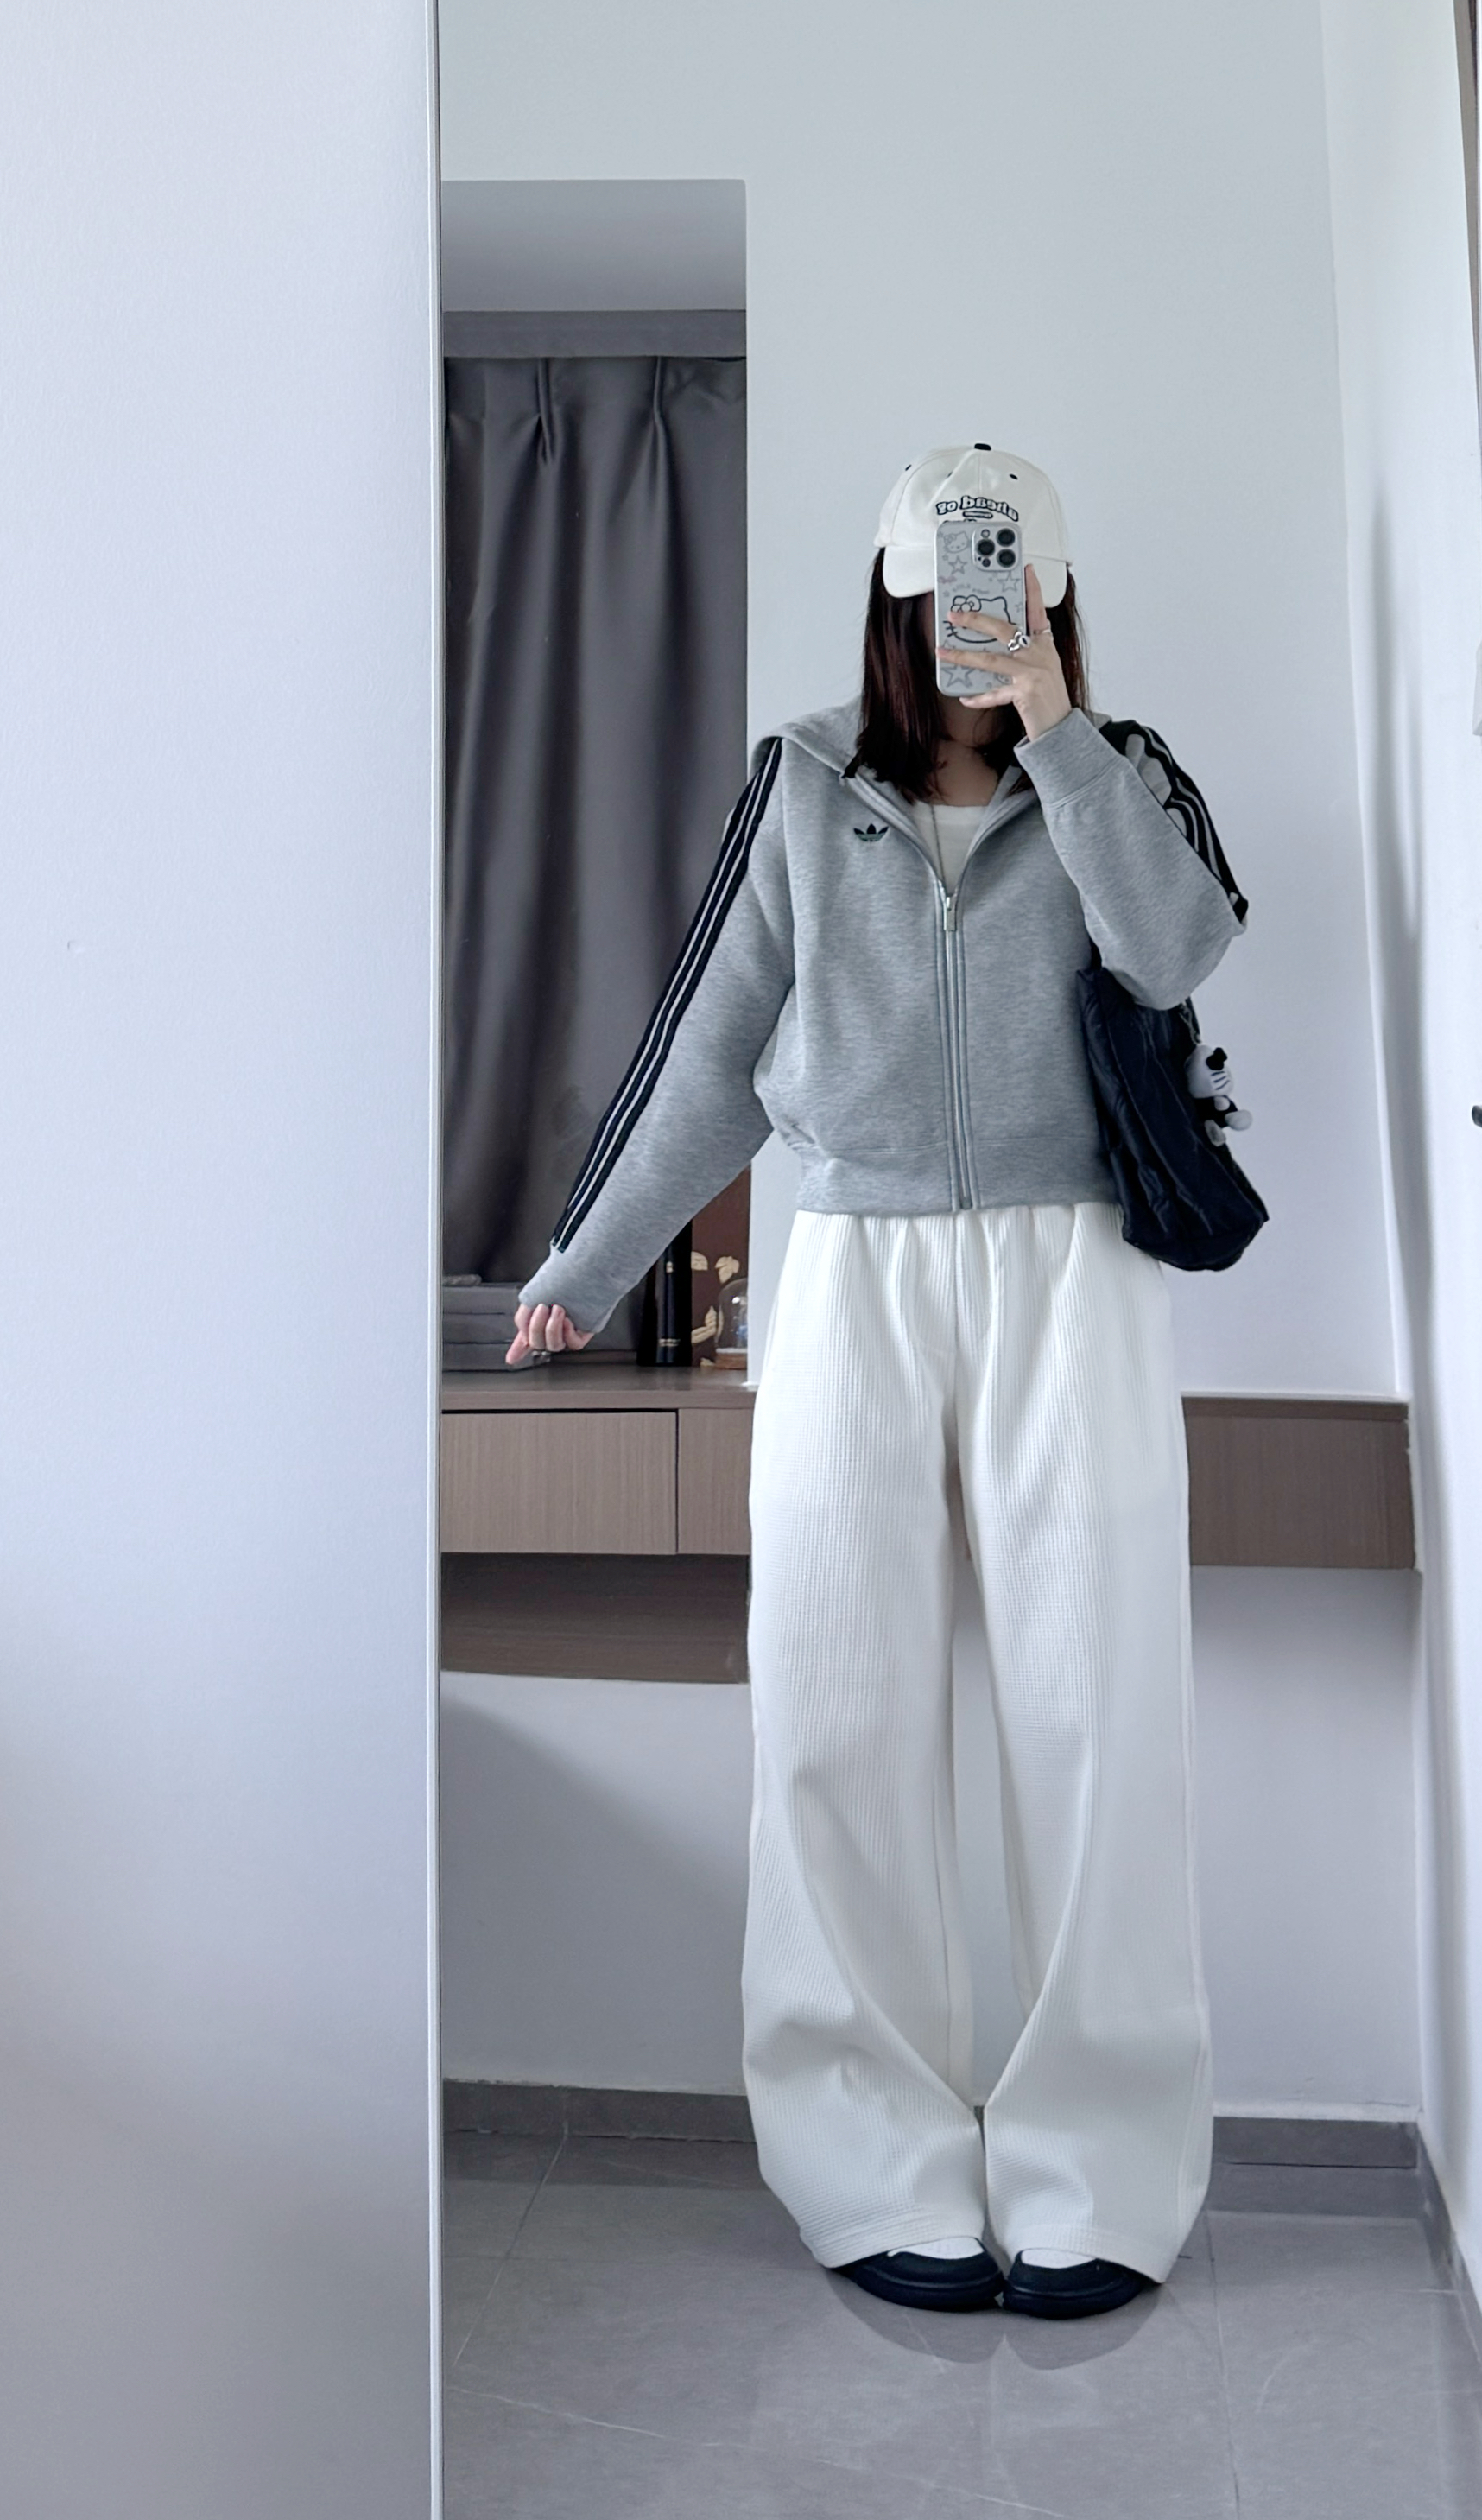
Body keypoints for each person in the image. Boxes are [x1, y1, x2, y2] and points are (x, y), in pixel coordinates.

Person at [509, 445, 1247, 2320]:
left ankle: (1099, 2171)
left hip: (1073, 1266)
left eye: (1010, 591)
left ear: (1051, 598)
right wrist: (588, 1266)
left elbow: (1178, 948)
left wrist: (1058, 736)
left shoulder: (1125, 772)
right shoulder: (798, 782)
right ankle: (872, 2161)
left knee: (1098, 1716)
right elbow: (705, 1050)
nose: (973, 623)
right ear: (893, 599)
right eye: (944, 595)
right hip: (848, 1269)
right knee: (837, 1713)